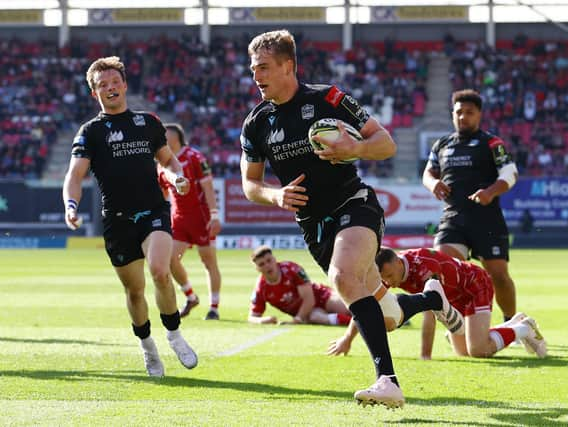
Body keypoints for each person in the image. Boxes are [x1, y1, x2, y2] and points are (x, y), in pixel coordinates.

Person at [240, 29, 417, 408]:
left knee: (342, 277)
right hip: (312, 225)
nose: (256, 76)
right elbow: (250, 183)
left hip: (354, 203)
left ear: (288, 66)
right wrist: (275, 194)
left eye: (264, 67)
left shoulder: (328, 99)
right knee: (386, 314)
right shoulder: (255, 123)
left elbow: (386, 143)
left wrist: (355, 147)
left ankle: (387, 381)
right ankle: (431, 300)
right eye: (253, 68)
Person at [62, 56, 197, 377]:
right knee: (135, 292)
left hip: (153, 211)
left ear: (124, 85)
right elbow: (74, 175)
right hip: (117, 220)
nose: (110, 88)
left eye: (114, 82)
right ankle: (149, 349)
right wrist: (70, 205)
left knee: (160, 271)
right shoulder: (90, 132)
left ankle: (174, 335)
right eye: (102, 85)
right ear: (95, 93)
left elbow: (169, 159)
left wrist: (177, 176)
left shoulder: (148, 122)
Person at [423, 89, 519, 323]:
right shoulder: (441, 145)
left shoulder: (492, 143)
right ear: (452, 114)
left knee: (499, 277)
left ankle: (510, 322)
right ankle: (456, 325)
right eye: (459, 112)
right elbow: (427, 172)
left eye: (469, 112)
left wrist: (490, 192)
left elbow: (511, 173)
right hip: (453, 219)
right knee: (443, 271)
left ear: (479, 115)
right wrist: (433, 183)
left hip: (487, 220)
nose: (463, 117)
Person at [375, 247, 546, 359]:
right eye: (384, 278)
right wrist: (348, 340)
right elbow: (370, 303)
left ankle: (524, 329)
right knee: (464, 352)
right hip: (453, 297)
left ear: (398, 262)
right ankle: (513, 324)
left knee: (479, 350)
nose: (388, 282)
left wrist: (425, 356)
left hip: (474, 285)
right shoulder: (391, 270)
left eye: (389, 276)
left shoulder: (424, 268)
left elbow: (429, 313)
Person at [158, 123, 223, 321]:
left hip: (201, 218)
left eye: (166, 136)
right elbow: (163, 193)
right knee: (169, 260)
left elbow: (208, 187)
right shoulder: (162, 164)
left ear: (176, 138)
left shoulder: (194, 157)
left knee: (209, 262)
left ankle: (214, 307)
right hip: (178, 219)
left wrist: (214, 215)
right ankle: (191, 296)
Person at [248, 246, 352, 326]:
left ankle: (362, 319)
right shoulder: (261, 287)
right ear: (257, 269)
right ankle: (357, 325)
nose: (267, 266)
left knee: (348, 308)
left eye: (269, 260)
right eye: (261, 264)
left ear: (274, 259)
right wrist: (262, 320)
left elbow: (309, 299)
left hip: (322, 296)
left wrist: (297, 319)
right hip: (308, 312)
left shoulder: (291, 269)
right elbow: (252, 317)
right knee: (315, 318)